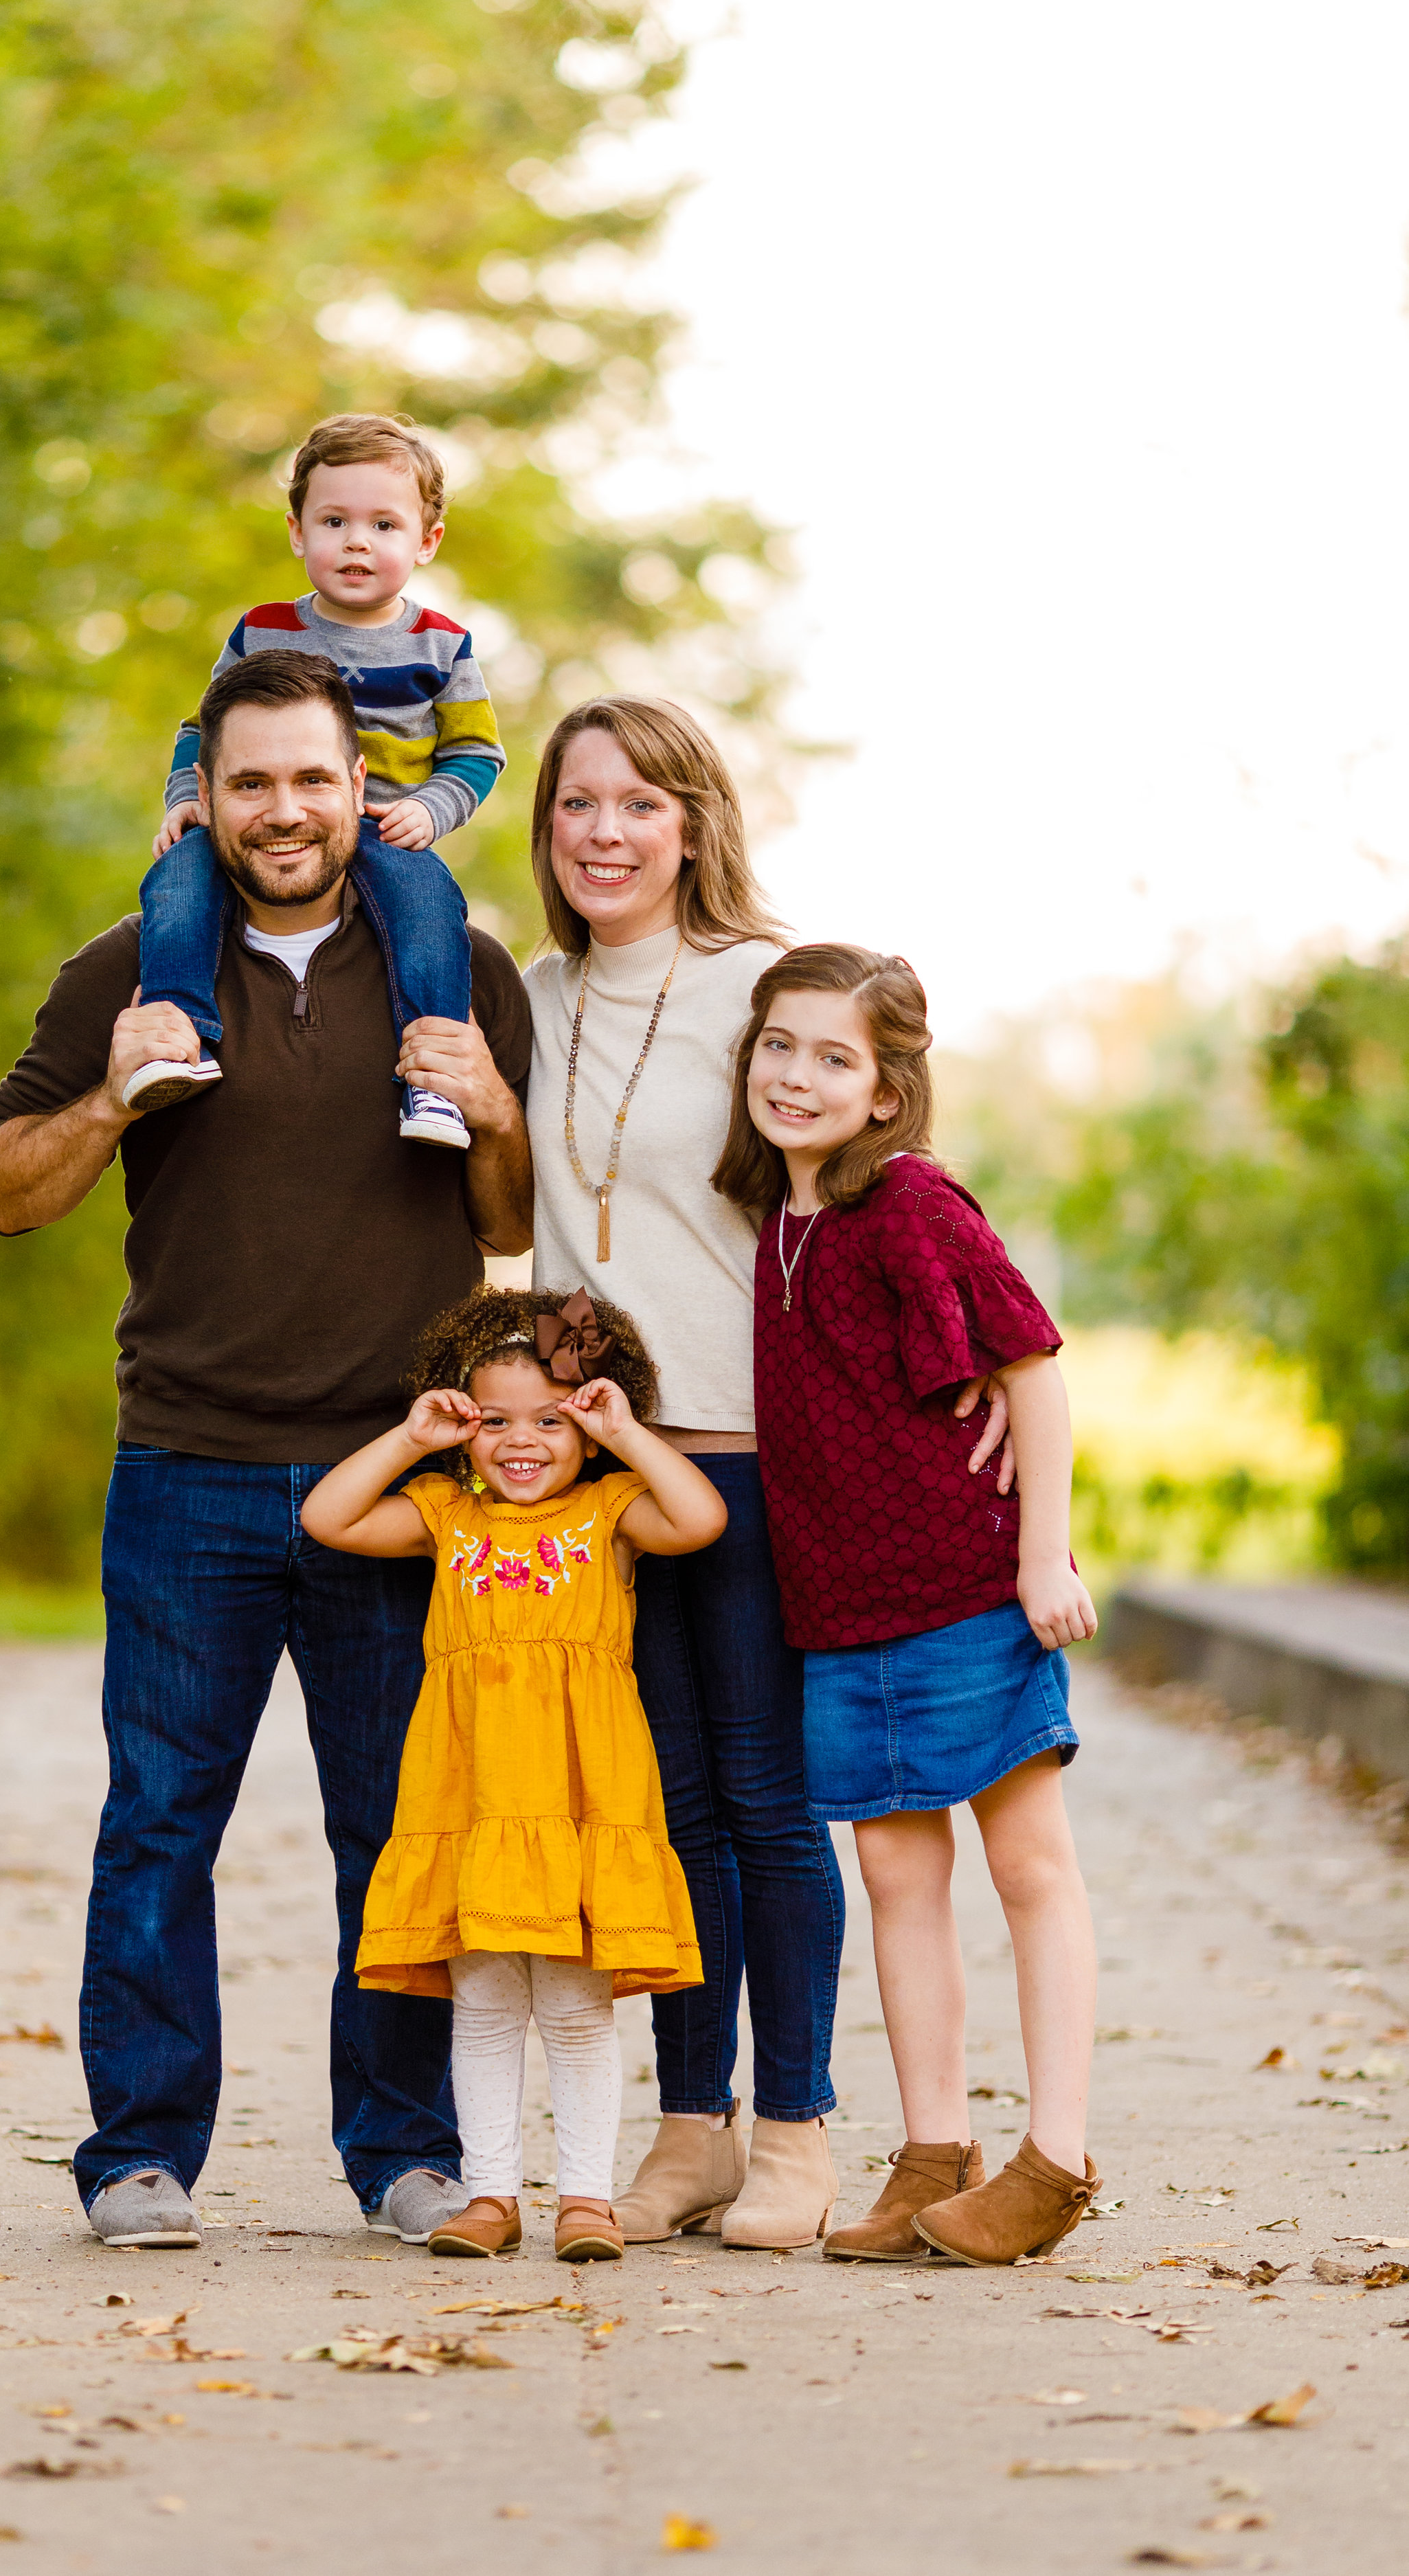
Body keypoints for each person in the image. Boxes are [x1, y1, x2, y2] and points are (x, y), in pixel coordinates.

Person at [0, 650, 532, 2252]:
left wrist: (492, 1107)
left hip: (395, 1484)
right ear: (202, 795)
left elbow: (512, 1227)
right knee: (159, 1820)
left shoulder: (456, 968)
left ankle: (408, 2152)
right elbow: (10, 1189)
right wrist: (111, 1098)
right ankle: (141, 2151)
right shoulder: (126, 969)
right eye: (252, 780)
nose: (284, 810)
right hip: (188, 1468)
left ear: (362, 787)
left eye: (312, 778)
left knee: (396, 1827)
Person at [522, 697, 1015, 2251]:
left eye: (639, 803)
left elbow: (882, 1163)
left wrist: (990, 1364)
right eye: (575, 804)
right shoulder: (523, 992)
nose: (605, 831)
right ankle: (695, 2124)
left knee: (766, 1797)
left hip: (754, 1462)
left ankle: (796, 2125)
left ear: (693, 822)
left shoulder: (758, 985)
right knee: (660, 1809)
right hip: (602, 1470)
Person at [716, 942, 1103, 2266]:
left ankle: (1056, 2157)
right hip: (842, 1610)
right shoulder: (782, 1222)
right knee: (893, 1872)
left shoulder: (916, 1204)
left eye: (835, 1057)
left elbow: (1033, 1371)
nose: (798, 1074)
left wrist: (1044, 1559)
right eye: (779, 1045)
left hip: (964, 1589)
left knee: (1028, 1864)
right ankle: (934, 2151)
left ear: (887, 1091)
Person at [301, 1285, 723, 2261]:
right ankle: (491, 2193)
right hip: (474, 1795)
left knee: (574, 2008)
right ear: (463, 1425)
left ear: (587, 1425)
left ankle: (586, 2198)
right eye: (494, 1419)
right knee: (486, 2002)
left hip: (582, 1797)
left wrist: (624, 1430)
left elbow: (700, 1516)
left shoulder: (609, 1510)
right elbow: (330, 1516)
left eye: (550, 1418)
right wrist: (411, 1439)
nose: (521, 1440)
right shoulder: (446, 1513)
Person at [126, 412, 505, 1151]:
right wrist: (186, 803)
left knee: (431, 910)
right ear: (298, 532)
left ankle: (430, 1080)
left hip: (386, 822)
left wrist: (431, 811)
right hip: (267, 816)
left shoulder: (443, 643)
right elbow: (200, 730)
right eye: (334, 520)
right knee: (176, 883)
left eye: (384, 525)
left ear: (426, 541)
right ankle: (178, 1040)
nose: (357, 541)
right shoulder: (262, 630)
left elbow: (477, 753)